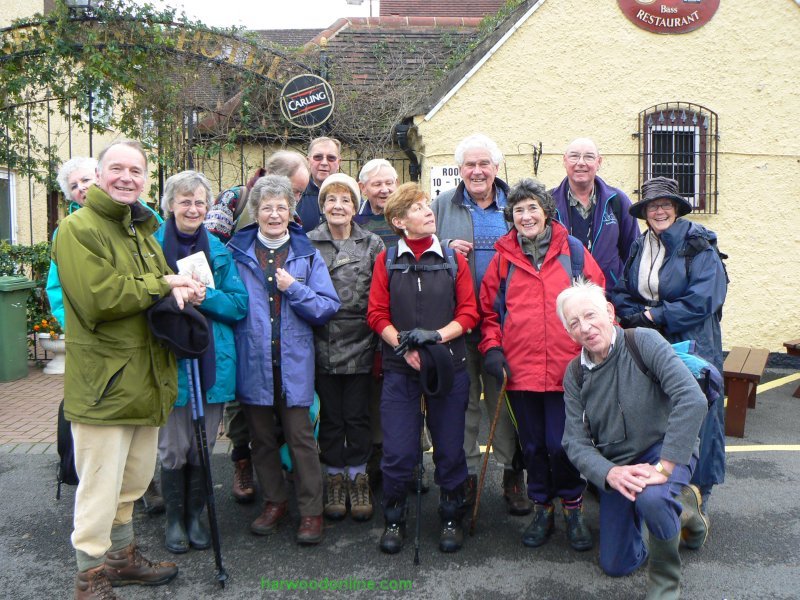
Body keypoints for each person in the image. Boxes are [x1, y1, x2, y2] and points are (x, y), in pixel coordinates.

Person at [52, 140, 204, 599]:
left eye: (136, 171)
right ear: (99, 175)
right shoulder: (78, 229)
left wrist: (180, 293)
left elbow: (152, 293)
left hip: (147, 378)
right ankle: (90, 578)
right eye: (116, 168)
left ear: (145, 178)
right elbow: (99, 297)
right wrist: (164, 283)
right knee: (98, 489)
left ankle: (121, 559)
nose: (127, 177)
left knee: (132, 482)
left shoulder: (141, 230)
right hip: (106, 384)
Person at [559, 280, 709, 599]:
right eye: (574, 322)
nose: (585, 327)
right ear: (569, 332)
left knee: (653, 497)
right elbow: (574, 441)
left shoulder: (643, 341)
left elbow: (691, 399)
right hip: (619, 466)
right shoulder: (574, 374)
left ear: (609, 311)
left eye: (590, 314)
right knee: (617, 565)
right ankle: (682, 509)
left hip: (664, 449)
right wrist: (608, 474)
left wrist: (664, 469)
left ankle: (665, 584)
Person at [478, 178, 605, 552]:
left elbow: (599, 303)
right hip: (520, 372)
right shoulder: (503, 259)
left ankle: (573, 510)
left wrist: (597, 350)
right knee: (533, 446)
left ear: (546, 212)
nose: (526, 215)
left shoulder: (574, 252)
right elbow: (489, 313)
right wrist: (492, 349)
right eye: (518, 210)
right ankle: (542, 508)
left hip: (569, 371)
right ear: (511, 217)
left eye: (533, 207)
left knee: (563, 445)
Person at [367, 182, 479, 554]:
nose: (428, 211)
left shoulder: (451, 259)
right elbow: (376, 314)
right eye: (416, 208)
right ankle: (394, 517)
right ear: (399, 221)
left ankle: (451, 514)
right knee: (398, 452)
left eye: (426, 205)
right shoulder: (386, 261)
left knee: (449, 448)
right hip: (401, 370)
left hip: (448, 366)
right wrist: (403, 345)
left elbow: (469, 313)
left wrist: (433, 337)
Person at [228, 174, 340, 546]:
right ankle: (275, 500)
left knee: (301, 438)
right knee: (260, 438)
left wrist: (295, 289)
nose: (273, 214)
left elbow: (326, 307)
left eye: (281, 207)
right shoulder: (236, 253)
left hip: (294, 361)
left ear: (291, 212)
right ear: (255, 213)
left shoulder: (307, 253)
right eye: (266, 208)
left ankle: (311, 511)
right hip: (253, 359)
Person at [611, 176, 727, 511]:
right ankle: (663, 490)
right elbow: (622, 292)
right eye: (652, 206)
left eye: (665, 205)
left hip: (693, 343)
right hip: (652, 345)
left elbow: (703, 300)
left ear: (676, 208)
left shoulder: (699, 244)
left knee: (698, 414)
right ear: (645, 212)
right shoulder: (640, 245)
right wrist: (638, 315)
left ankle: (698, 494)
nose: (659, 211)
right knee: (659, 415)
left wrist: (652, 316)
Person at [204, 150, 311, 505]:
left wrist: (294, 288)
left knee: (296, 428)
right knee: (248, 420)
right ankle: (245, 466)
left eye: (293, 199)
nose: (288, 205)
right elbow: (211, 252)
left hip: (289, 346)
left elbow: (322, 300)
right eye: (294, 192)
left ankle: (301, 496)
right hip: (248, 341)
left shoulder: (302, 245)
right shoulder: (233, 203)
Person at [431, 134, 528, 515]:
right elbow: (419, 245)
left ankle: (512, 473)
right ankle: (468, 474)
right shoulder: (442, 205)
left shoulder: (516, 204)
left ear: (496, 169)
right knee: (464, 403)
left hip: (506, 323)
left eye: (483, 164)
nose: (476, 171)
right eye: (469, 165)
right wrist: (444, 246)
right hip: (457, 322)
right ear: (460, 170)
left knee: (507, 401)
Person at [153, 170, 248, 554]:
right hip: (167, 358)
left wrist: (203, 297)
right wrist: (171, 293)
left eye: (199, 202)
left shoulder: (220, 251)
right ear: (170, 206)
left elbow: (238, 305)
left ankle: (195, 517)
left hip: (211, 359)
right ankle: (174, 520)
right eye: (184, 201)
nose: (192, 208)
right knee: (173, 447)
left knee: (201, 445)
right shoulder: (150, 246)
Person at [308, 173, 385, 522]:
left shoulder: (372, 244)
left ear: (356, 207)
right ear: (322, 207)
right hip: (321, 340)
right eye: (330, 200)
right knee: (332, 418)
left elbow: (381, 293)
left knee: (357, 415)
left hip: (362, 341)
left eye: (345, 200)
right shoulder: (306, 242)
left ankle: (358, 478)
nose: (337, 206)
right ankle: (335, 479)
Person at [353, 158, 400, 488]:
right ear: (363, 188)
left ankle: (406, 460)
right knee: (373, 395)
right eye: (377, 184)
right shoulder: (357, 225)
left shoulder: (407, 219)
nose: (384, 189)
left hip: (406, 316)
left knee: (406, 394)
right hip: (368, 319)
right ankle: (375, 459)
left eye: (389, 182)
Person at [551, 137, 639, 293]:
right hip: (562, 297)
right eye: (574, 156)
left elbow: (633, 253)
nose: (581, 162)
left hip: (610, 295)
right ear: (564, 160)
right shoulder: (548, 204)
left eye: (589, 157)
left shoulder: (617, 201)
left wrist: (624, 293)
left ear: (599, 162)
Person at [296, 136, 342, 233]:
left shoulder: (350, 195)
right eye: (318, 157)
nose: (324, 162)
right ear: (308, 161)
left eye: (331, 158)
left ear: (338, 163)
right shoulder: (295, 194)